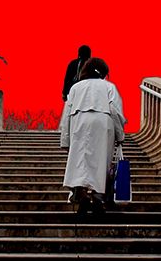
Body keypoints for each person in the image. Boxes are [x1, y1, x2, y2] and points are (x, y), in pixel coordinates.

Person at [59, 57, 127, 213]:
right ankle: (98, 197)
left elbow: (67, 114)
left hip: (79, 122)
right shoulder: (109, 87)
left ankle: (81, 193)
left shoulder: (76, 88)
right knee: (101, 161)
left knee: (80, 161)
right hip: (103, 123)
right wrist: (120, 135)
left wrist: (65, 140)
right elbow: (115, 110)